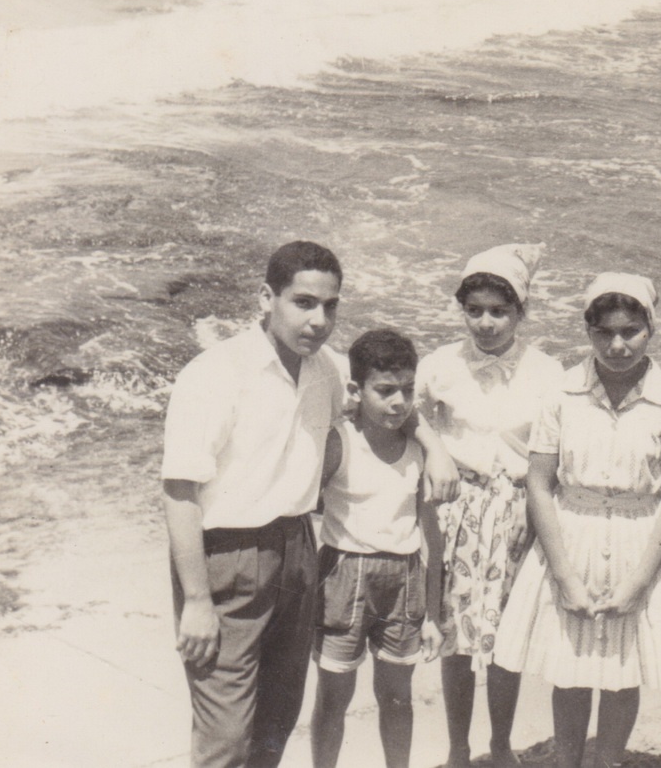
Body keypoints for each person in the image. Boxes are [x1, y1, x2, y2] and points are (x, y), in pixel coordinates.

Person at [162, 241, 457, 768]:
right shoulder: (214, 374)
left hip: (299, 551)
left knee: (276, 723)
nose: (319, 320)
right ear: (266, 298)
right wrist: (197, 602)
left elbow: (388, 398)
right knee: (226, 737)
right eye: (303, 303)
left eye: (330, 306)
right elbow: (180, 492)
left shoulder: (327, 369)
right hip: (225, 558)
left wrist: (434, 447)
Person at [495, 273, 661, 768]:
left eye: (630, 331)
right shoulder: (561, 395)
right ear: (588, 332)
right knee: (570, 668)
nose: (617, 345)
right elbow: (539, 484)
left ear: (650, 328)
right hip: (570, 536)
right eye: (604, 333)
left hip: (642, 542)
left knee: (622, 668)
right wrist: (564, 575)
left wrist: (639, 581)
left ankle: (609, 761)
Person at [415, 243, 565, 768]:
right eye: (474, 310)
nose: (485, 323)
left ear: (522, 311)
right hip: (456, 510)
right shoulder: (440, 365)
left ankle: (501, 746)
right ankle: (458, 748)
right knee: (455, 636)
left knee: (507, 638)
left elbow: (558, 448)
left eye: (499, 311)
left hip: (520, 513)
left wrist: (543, 508)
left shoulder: (548, 373)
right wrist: (435, 452)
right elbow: (408, 415)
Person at [310, 329, 444, 768]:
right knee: (334, 696)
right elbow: (302, 506)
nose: (398, 402)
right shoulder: (338, 442)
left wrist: (434, 615)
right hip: (342, 576)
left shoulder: (419, 450)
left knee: (398, 697)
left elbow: (432, 537)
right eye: (385, 390)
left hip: (404, 580)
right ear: (355, 390)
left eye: (407, 389)